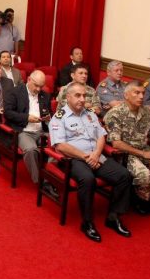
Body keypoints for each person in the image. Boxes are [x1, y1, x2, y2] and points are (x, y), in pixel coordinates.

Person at [49, 82, 132, 242]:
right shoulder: (59, 117)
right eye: (77, 95)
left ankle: (113, 217)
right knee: (87, 180)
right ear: (68, 97)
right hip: (74, 158)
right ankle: (87, 222)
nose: (82, 99)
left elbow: (101, 136)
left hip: (96, 155)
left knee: (124, 175)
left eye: (84, 96)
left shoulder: (90, 114)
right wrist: (86, 157)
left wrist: (96, 153)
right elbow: (60, 146)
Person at [104, 80, 150, 215]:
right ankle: (146, 201)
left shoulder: (146, 111)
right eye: (137, 93)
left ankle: (144, 196)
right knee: (144, 175)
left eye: (143, 93)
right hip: (125, 154)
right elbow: (116, 143)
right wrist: (143, 154)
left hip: (146, 150)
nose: (141, 96)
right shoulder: (114, 113)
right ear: (126, 95)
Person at [3, 70, 52, 186]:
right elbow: (8, 113)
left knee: (59, 146)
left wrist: (49, 118)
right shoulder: (14, 92)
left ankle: (50, 176)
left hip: (42, 131)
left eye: (41, 86)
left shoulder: (45, 95)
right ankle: (40, 182)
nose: (39, 89)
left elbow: (50, 113)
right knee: (30, 150)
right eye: (36, 86)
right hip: (23, 131)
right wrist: (26, 118)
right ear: (29, 79)